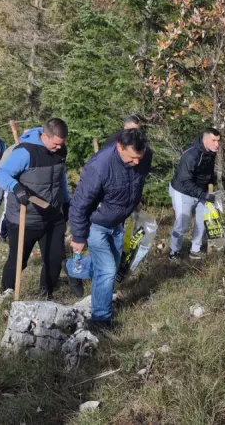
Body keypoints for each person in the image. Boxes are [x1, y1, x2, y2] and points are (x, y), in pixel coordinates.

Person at [69, 128, 150, 331]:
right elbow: (79, 204)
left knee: (109, 267)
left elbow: (137, 182)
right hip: (96, 223)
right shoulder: (99, 166)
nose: (137, 162)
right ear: (119, 147)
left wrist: (136, 203)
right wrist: (78, 236)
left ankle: (72, 268)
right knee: (107, 271)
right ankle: (100, 320)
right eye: (132, 158)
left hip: (119, 222)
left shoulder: (144, 156)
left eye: (140, 157)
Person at [0, 119, 72, 298]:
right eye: (55, 144)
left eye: (62, 144)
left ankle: (46, 292)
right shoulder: (25, 152)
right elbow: (1, 173)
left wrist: (66, 201)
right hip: (25, 217)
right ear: (45, 136)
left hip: (52, 215)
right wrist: (16, 187)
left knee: (55, 258)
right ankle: (7, 292)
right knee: (18, 260)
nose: (59, 148)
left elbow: (62, 178)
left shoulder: (61, 150)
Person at [169, 127, 223, 260]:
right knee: (182, 224)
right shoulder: (191, 155)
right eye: (214, 140)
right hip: (182, 191)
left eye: (218, 141)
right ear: (205, 140)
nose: (217, 144)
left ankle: (195, 250)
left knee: (202, 220)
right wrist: (203, 195)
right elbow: (185, 181)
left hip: (201, 191)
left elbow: (208, 172)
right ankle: (174, 252)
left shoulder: (211, 151)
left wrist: (210, 184)